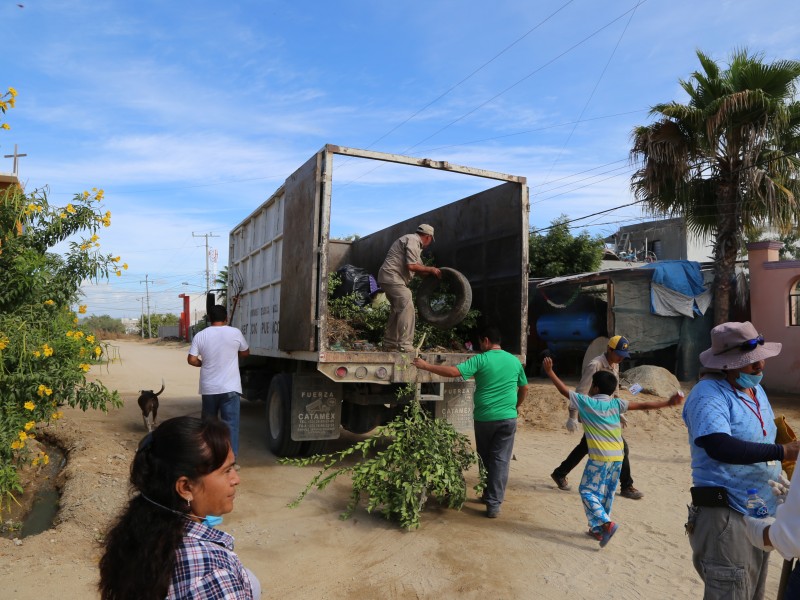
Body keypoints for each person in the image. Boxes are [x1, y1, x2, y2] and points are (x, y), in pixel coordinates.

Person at [683, 321, 798, 600]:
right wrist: (782, 452)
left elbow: (763, 435)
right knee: (732, 591)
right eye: (749, 363)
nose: (759, 367)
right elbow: (718, 445)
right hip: (727, 513)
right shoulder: (708, 394)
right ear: (725, 364)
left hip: (759, 510)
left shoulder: (755, 390)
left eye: (760, 360)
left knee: (752, 591)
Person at [98, 416, 260, 599]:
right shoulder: (212, 573)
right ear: (185, 488)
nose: (236, 480)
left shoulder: (144, 533)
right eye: (226, 471)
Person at [542, 356, 683, 547]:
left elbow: (563, 391)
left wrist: (550, 372)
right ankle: (598, 529)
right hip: (617, 457)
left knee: (587, 491)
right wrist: (669, 402)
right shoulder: (617, 404)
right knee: (606, 494)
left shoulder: (587, 402)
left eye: (592, 385)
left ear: (596, 388)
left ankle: (607, 524)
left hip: (599, 458)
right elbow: (643, 405)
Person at [413, 326, 528, 518]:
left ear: (485, 341)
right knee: (500, 460)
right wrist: (516, 406)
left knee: (485, 458)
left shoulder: (481, 359)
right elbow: (524, 388)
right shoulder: (514, 361)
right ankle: (492, 502)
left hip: (485, 419)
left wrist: (426, 366)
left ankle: (489, 497)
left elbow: (452, 372)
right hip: (508, 418)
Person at [550, 335, 644, 500]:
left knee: (585, 445)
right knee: (622, 447)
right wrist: (572, 416)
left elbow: (614, 391)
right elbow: (580, 392)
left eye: (624, 355)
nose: (621, 358)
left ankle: (560, 473)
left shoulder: (614, 364)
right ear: (609, 349)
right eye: (619, 354)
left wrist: (619, 412)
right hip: (593, 414)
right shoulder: (595, 365)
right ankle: (627, 486)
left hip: (605, 415)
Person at [188, 304, 250, 457]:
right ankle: (231, 460)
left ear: (209, 319)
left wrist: (201, 363)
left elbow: (191, 359)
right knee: (231, 426)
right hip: (230, 388)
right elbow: (245, 353)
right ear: (226, 318)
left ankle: (211, 458)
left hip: (209, 389)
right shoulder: (235, 332)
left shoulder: (200, 335)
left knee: (209, 427)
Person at [378, 223, 441, 352]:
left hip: (389, 278)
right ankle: (405, 344)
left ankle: (390, 343)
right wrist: (431, 269)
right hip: (392, 277)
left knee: (398, 309)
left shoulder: (415, 246)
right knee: (407, 303)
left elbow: (420, 270)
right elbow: (412, 266)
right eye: (430, 240)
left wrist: (433, 275)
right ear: (428, 237)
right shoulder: (413, 240)